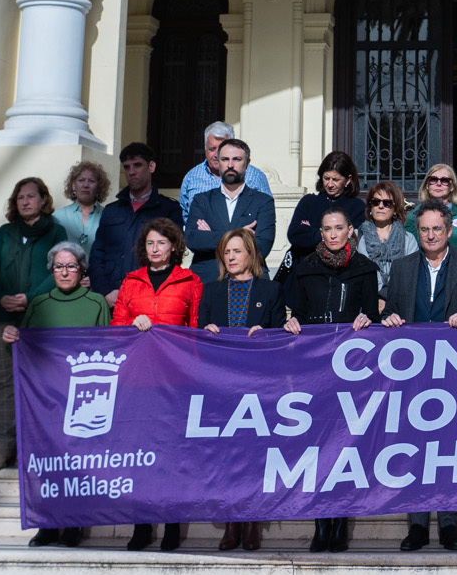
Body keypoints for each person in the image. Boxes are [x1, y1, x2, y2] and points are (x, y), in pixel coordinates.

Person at [382, 201, 457, 553]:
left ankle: (448, 524)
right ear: (418, 232)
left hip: (455, 373)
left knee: (449, 449)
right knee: (412, 448)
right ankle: (416, 526)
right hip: (411, 376)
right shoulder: (400, 269)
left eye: (437, 229)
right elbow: (387, 314)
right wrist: (389, 320)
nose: (430, 235)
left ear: (448, 232)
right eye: (424, 229)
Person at [283, 206, 379, 553]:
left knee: (345, 446)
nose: (333, 234)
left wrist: (368, 321)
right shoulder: (305, 268)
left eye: (339, 228)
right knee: (318, 446)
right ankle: (320, 522)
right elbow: (295, 313)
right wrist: (291, 323)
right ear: (321, 233)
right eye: (327, 229)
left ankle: (340, 521)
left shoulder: (365, 269)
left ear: (350, 230)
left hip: (352, 368)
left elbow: (374, 315)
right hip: (316, 368)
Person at [2, 241, 109, 548]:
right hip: (45, 399)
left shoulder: (97, 303)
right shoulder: (38, 305)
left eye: (71, 266)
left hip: (82, 398)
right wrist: (11, 337)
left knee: (79, 463)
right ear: (51, 270)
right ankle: (47, 524)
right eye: (59, 266)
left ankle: (74, 523)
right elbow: (23, 346)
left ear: (81, 270)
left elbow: (105, 348)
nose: (64, 272)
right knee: (47, 462)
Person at [196, 228, 291, 553]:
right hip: (221, 383)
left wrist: (266, 333)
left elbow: (281, 336)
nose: (231, 257)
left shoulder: (272, 289)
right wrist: (205, 332)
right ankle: (232, 520)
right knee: (227, 455)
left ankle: (252, 520)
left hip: (259, 382)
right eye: (226, 252)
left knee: (254, 454)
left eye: (237, 251)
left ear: (251, 253)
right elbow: (198, 336)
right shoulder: (210, 292)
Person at [111, 220, 201, 552]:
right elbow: (116, 326)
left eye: (162, 243)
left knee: (172, 453)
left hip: (175, 379)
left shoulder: (190, 281)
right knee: (139, 452)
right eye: (150, 243)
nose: (155, 249)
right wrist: (131, 325)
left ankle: (173, 524)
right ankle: (142, 524)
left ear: (175, 246)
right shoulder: (131, 282)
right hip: (138, 379)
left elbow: (195, 330)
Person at [0, 176, 62, 473]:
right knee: (6, 383)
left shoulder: (56, 231)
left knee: (39, 382)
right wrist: (1, 297)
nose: (25, 202)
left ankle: (35, 446)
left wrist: (31, 297)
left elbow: (58, 270)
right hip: (2, 317)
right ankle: (5, 446)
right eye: (20, 198)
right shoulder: (5, 233)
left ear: (43, 199)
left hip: (39, 316)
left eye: (31, 196)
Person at [88, 143, 183, 305]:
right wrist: (105, 291)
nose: (131, 172)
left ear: (151, 166)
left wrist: (150, 291)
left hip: (150, 296)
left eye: (137, 165)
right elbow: (97, 255)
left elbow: (174, 255)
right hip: (111, 297)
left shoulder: (169, 209)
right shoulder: (111, 211)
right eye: (127, 167)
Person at [184, 135, 276, 282]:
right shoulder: (201, 200)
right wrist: (241, 235)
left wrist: (212, 236)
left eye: (237, 159)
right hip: (208, 279)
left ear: (247, 163)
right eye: (225, 159)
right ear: (218, 163)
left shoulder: (263, 201)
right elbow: (192, 239)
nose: (230, 165)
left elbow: (263, 246)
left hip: (250, 279)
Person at [286, 152, 366, 268]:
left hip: (340, 270)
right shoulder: (308, 202)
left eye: (336, 179)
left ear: (348, 180)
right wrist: (330, 235)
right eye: (326, 178)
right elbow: (294, 235)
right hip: (305, 269)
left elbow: (351, 241)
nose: (330, 184)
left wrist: (313, 233)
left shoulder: (356, 207)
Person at [177, 120, 271, 217]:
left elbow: (266, 214)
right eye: (212, 149)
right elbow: (185, 215)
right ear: (205, 149)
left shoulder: (255, 176)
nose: (217, 155)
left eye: (222, 149)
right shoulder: (192, 177)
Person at [356, 180, 414, 294]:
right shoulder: (361, 237)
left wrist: (385, 296)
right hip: (369, 299)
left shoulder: (408, 239)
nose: (381, 206)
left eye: (387, 203)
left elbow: (410, 275)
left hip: (400, 299)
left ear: (395, 210)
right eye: (376, 202)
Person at [404, 164, 457, 252]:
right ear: (427, 185)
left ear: (452, 187)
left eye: (444, 180)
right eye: (433, 180)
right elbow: (411, 250)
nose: (438, 184)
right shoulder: (413, 217)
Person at [51, 159, 110, 263]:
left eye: (91, 181)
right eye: (81, 180)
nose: (85, 185)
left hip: (97, 277)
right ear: (73, 185)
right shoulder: (57, 217)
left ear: (99, 187)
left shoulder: (108, 216)